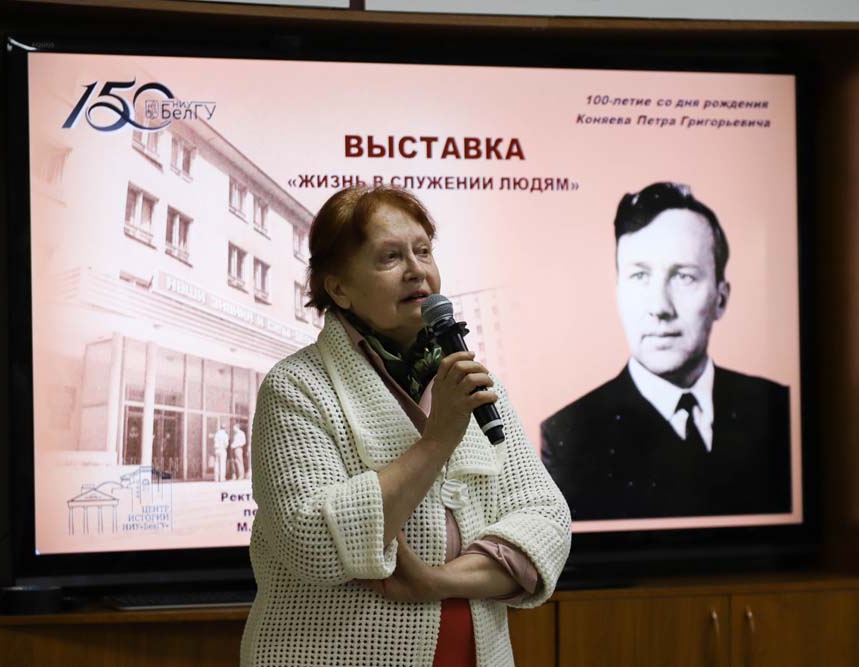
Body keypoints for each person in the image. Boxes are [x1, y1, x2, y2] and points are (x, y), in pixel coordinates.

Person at [241, 186, 571, 667]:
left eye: (423, 251)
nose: (417, 270)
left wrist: (435, 583)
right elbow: (311, 543)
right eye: (390, 257)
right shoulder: (296, 385)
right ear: (339, 289)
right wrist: (436, 441)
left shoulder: (469, 380)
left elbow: (546, 521)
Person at [540, 182, 791, 522]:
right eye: (639, 276)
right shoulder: (567, 434)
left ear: (721, 298)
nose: (659, 307)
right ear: (619, 293)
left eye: (683, 276)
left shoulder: (778, 409)